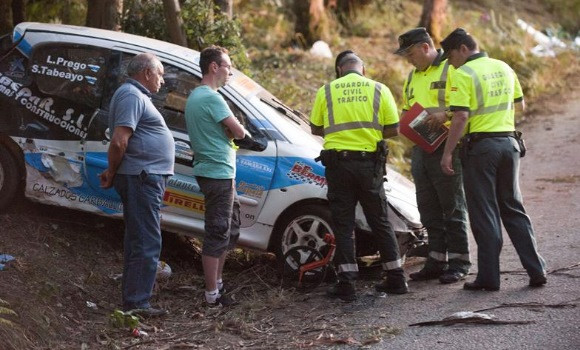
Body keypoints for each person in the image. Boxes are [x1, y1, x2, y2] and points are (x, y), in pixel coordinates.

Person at [439, 28, 547, 291]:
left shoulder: (464, 73)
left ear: (463, 49)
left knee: (484, 212)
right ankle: (537, 270)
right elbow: (519, 104)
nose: (450, 62)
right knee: (512, 206)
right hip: (509, 144)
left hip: (482, 149)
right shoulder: (504, 67)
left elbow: (461, 117)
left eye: (451, 56)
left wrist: (448, 152)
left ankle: (489, 278)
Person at [310, 50, 408, 301]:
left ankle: (347, 284)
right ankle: (396, 278)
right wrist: (368, 135)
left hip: (339, 165)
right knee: (380, 220)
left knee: (343, 224)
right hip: (369, 165)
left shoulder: (327, 90)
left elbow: (315, 127)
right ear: (362, 69)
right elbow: (394, 129)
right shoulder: (379, 89)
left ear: (340, 70)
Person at [100, 53, 175, 316]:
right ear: (146, 73)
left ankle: (134, 301)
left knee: (138, 239)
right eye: (161, 73)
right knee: (146, 241)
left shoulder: (135, 95)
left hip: (142, 177)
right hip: (142, 178)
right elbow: (119, 140)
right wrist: (111, 170)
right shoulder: (132, 95)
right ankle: (137, 304)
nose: (162, 80)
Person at [395, 27, 471, 284]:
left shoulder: (452, 68)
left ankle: (460, 262)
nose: (408, 59)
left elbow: (466, 107)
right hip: (421, 149)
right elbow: (408, 109)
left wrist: (446, 116)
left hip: (448, 146)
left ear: (425, 47)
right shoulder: (412, 77)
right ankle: (437, 260)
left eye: (410, 53)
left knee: (452, 206)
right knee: (427, 207)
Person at [185, 45, 248, 307]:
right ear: (214, 67)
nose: (230, 73)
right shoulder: (212, 98)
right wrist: (235, 130)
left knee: (228, 229)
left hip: (217, 171)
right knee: (217, 230)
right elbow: (240, 132)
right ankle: (212, 294)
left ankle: (218, 285)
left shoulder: (195, 96)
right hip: (217, 172)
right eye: (228, 67)